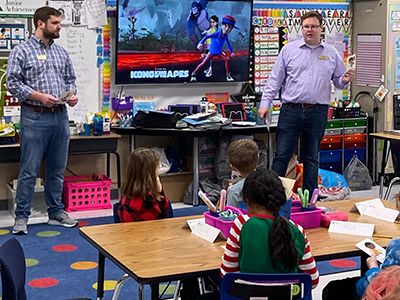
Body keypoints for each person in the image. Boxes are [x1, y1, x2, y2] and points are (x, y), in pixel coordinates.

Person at [258, 11, 354, 194]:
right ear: (301, 28)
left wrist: (345, 80)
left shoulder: (332, 53)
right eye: (306, 26)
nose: (309, 30)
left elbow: (338, 81)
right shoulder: (289, 50)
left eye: (313, 26)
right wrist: (265, 104)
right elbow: (274, 80)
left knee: (311, 158)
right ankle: (272, 196)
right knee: (282, 156)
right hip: (291, 110)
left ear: (321, 28)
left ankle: (309, 201)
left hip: (318, 112)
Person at [6, 6, 79, 235]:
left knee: (57, 169)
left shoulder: (61, 53)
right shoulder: (21, 51)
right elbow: (13, 83)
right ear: (40, 23)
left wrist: (72, 95)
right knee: (29, 170)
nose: (59, 27)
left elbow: (70, 79)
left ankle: (56, 212)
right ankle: (21, 217)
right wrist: (38, 96)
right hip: (34, 116)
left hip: (60, 117)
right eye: (55, 23)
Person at [220, 168, 319, 288]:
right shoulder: (297, 230)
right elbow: (313, 281)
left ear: (247, 199)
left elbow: (227, 274)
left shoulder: (241, 224)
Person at [118, 148, 171, 222]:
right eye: (157, 165)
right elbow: (162, 218)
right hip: (143, 230)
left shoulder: (131, 190)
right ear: (148, 171)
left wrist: (159, 191)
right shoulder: (145, 198)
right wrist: (159, 193)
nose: (159, 167)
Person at [190, 15, 237, 82]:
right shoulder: (217, 33)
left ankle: (228, 76)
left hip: (219, 52)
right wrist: (200, 43)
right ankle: (193, 74)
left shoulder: (225, 35)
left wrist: (231, 51)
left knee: (226, 60)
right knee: (203, 63)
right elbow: (206, 37)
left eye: (230, 27)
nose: (227, 29)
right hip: (211, 52)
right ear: (222, 25)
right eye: (226, 26)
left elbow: (228, 43)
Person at [226, 139, 259, 210]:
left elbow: (231, 216)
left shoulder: (234, 191)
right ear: (258, 157)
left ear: (232, 167)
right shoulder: (272, 181)